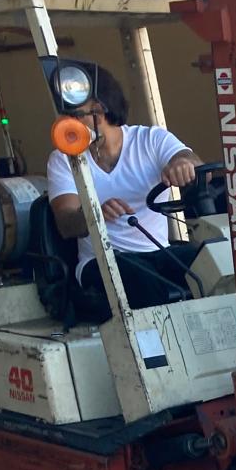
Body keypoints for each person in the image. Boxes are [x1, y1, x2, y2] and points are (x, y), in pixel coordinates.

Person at [46, 66, 201, 314]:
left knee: (212, 261)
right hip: (101, 259)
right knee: (145, 283)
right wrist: (96, 213)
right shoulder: (64, 158)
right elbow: (66, 223)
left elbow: (193, 162)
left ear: (100, 111)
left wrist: (183, 165)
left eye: (75, 116)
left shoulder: (151, 139)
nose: (68, 124)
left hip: (159, 251)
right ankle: (156, 342)